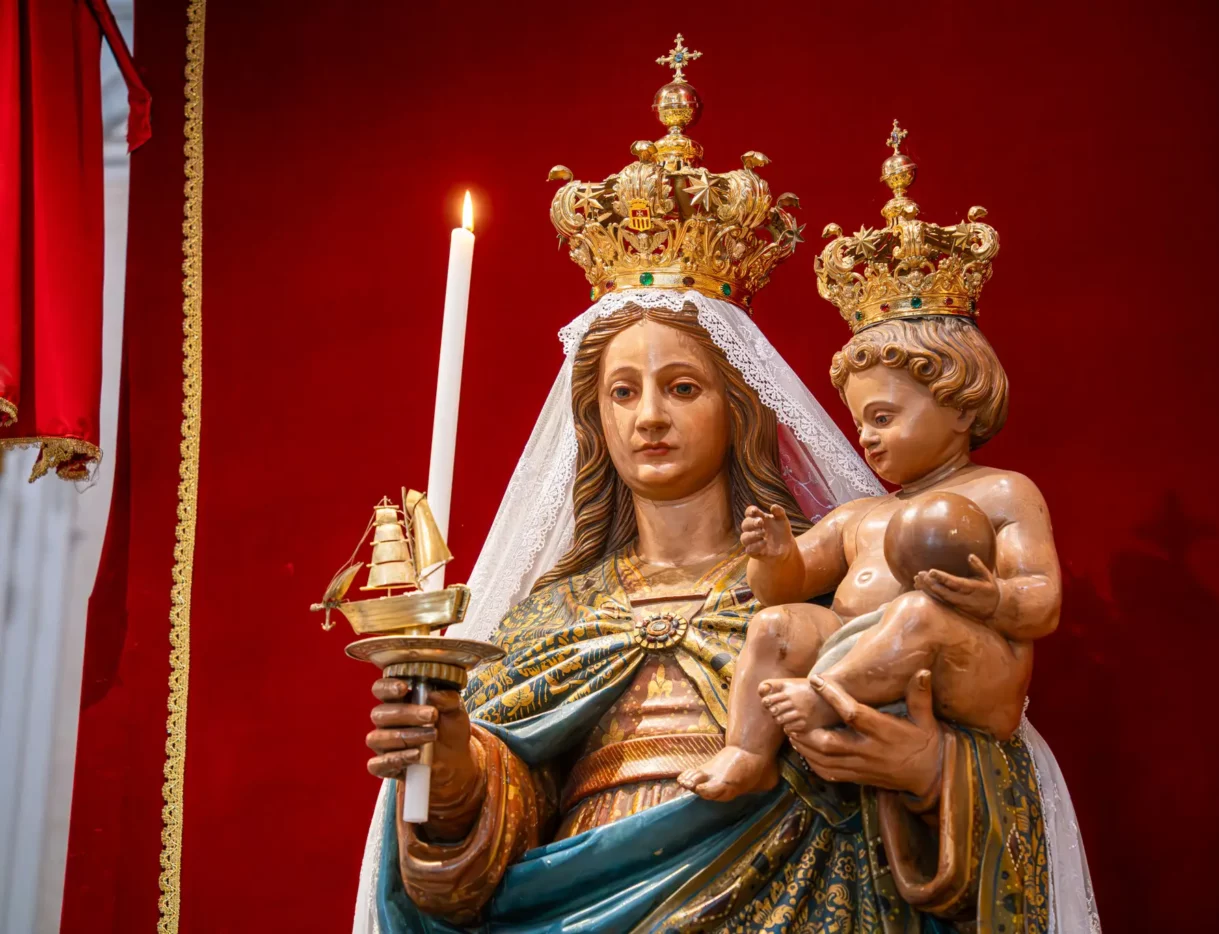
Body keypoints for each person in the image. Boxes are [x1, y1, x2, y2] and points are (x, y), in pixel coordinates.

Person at [352, 62, 1097, 934]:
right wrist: (449, 771)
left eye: (682, 388)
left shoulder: (826, 588)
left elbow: (994, 747)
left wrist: (928, 768)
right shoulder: (552, 617)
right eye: (622, 393)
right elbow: (476, 859)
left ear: (738, 407)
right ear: (592, 420)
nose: (649, 417)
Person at [679, 311, 1060, 801]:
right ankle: (747, 751)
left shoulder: (1002, 491)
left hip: (964, 665)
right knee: (778, 625)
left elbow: (1042, 598)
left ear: (961, 410)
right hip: (860, 647)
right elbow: (780, 591)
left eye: (882, 418)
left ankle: (824, 697)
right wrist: (776, 556)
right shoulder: (860, 515)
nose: (865, 437)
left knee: (917, 611)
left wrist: (995, 599)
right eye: (860, 424)